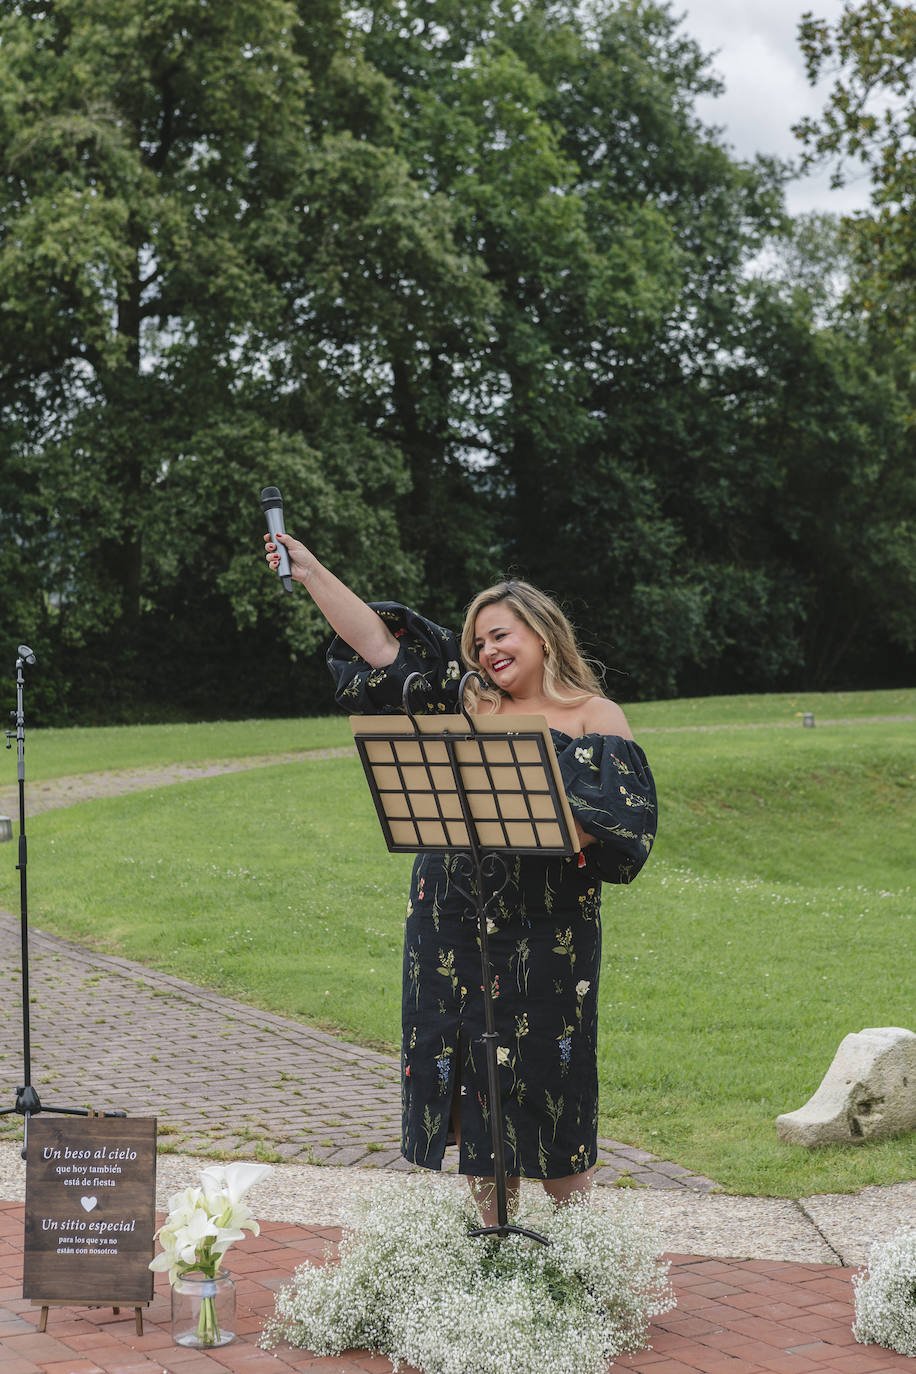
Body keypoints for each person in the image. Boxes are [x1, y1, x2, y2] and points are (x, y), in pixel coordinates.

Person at [265, 531, 657, 1222]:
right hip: (450, 920)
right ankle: (492, 1252)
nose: (486, 653)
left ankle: (580, 1252)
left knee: (549, 1084)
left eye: (499, 636)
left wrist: (538, 792)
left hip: (545, 934)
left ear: (540, 632)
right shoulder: (466, 699)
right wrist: (312, 573)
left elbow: (603, 826)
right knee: (474, 1097)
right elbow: (380, 647)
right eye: (477, 643)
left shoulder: (596, 717)